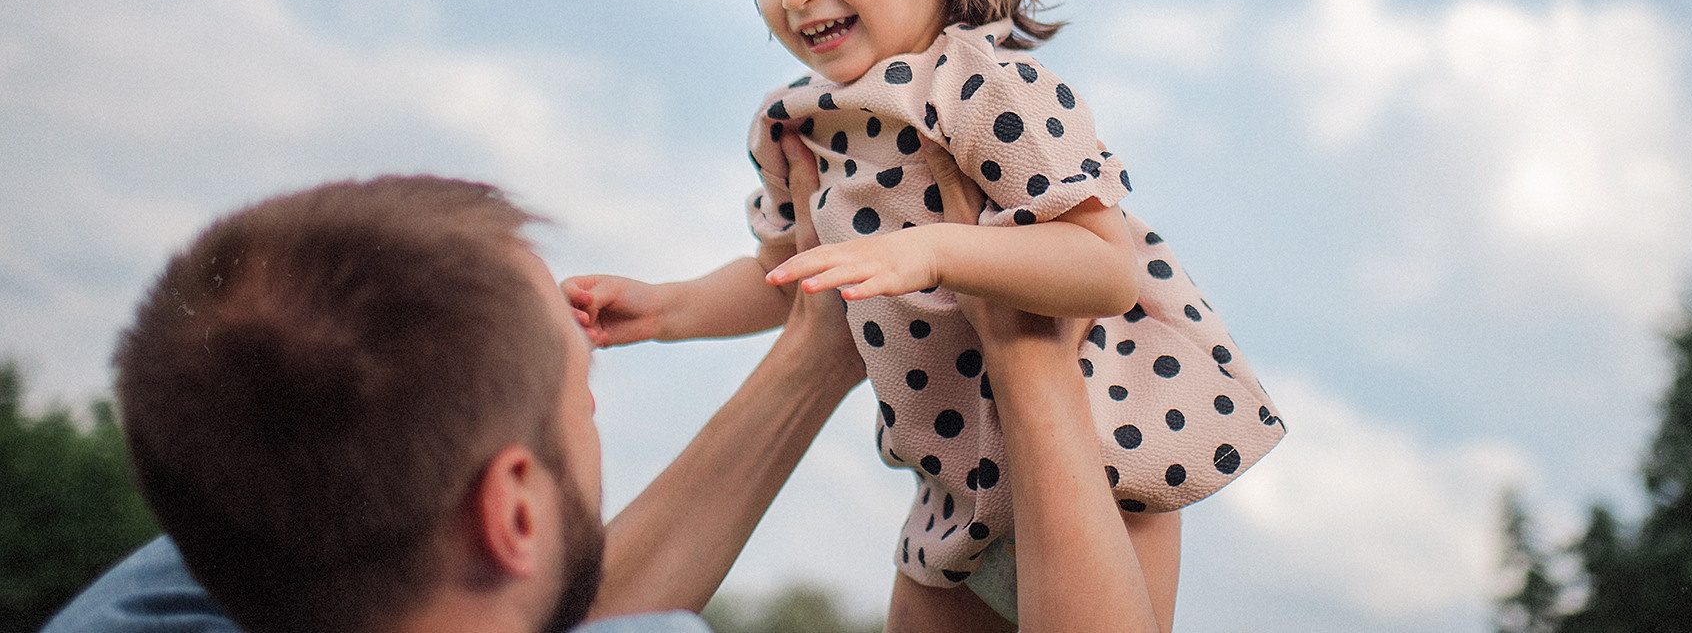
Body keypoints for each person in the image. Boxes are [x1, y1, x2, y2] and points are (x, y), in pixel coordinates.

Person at [564, 0, 1285, 633]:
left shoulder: (988, 89)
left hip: (1103, 459)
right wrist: (667, 309)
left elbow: (1106, 267)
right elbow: (794, 272)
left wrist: (941, 249)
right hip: (953, 490)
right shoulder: (800, 124)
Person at [44, 136, 1162, 633]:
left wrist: (816, 345)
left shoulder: (200, 575)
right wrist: (1029, 367)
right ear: (514, 508)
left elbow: (514, 601)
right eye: (581, 389)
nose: (595, 402)